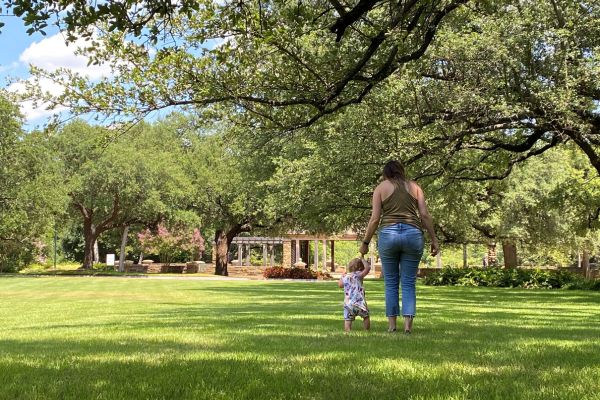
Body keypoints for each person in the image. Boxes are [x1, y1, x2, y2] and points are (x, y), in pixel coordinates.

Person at [359, 160, 439, 334]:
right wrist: (434, 239)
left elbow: (374, 219)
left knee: (391, 283)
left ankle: (392, 326)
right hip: (413, 234)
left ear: (385, 172)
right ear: (402, 171)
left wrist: (365, 243)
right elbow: (424, 215)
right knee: (409, 282)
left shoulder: (381, 188)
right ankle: (408, 327)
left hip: (388, 235)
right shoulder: (415, 187)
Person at [338, 257, 371, 332]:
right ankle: (367, 330)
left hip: (348, 304)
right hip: (360, 303)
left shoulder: (346, 277)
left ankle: (348, 331)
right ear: (360, 268)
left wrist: (341, 277)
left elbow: (340, 285)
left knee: (347, 319)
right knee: (366, 316)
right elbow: (368, 268)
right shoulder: (359, 275)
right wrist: (363, 259)